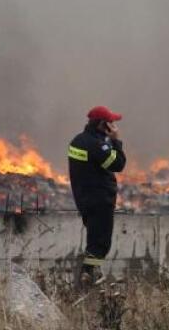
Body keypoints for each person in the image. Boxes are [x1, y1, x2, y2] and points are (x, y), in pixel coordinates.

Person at [67, 105, 127, 285]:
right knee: (100, 243)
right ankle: (88, 275)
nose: (114, 126)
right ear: (103, 125)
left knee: (94, 239)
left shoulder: (77, 140)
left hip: (84, 199)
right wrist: (116, 141)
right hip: (100, 200)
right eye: (111, 123)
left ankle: (91, 273)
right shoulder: (97, 145)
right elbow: (118, 164)